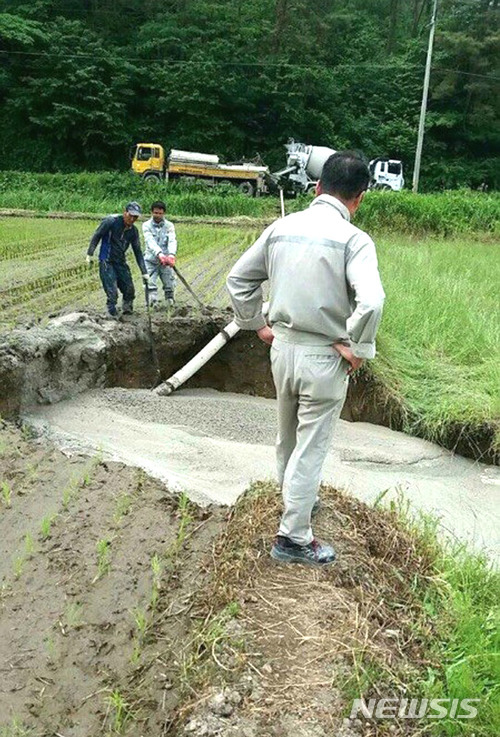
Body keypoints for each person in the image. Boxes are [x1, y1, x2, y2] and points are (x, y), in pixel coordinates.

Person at [226, 151, 385, 567]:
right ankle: (294, 537)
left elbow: (238, 279)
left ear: (316, 187)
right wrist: (358, 348)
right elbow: (372, 301)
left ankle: (297, 502)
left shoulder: (281, 228)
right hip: (324, 355)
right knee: (311, 447)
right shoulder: (354, 240)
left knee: (288, 436)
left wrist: (256, 323)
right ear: (360, 198)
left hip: (283, 347)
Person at [87, 201, 149, 317]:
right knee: (112, 292)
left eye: (135, 217)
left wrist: (144, 272)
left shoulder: (133, 231)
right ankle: (111, 314)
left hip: (120, 261)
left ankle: (127, 312)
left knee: (129, 289)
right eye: (130, 215)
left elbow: (138, 251)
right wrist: (90, 254)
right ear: (125, 213)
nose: (132, 219)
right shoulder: (111, 222)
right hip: (107, 260)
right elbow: (97, 235)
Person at [142, 200, 178, 308]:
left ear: (164, 213)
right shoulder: (146, 225)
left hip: (166, 261)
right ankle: (153, 303)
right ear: (151, 212)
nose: (158, 215)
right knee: (150, 283)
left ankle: (170, 301)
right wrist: (159, 254)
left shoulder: (169, 226)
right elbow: (150, 241)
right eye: (156, 213)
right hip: (150, 260)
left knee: (169, 283)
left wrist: (171, 255)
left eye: (160, 213)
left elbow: (172, 240)